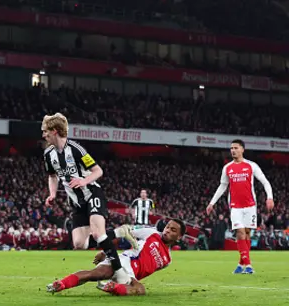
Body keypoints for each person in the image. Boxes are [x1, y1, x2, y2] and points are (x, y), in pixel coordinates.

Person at [42, 113, 137, 282]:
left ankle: (120, 273)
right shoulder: (48, 154)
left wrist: (83, 180)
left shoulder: (77, 150)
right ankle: (119, 232)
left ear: (55, 131)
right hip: (77, 203)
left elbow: (98, 171)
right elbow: (52, 176)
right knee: (79, 244)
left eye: (45, 131)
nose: (43, 135)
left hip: (92, 193)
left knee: (97, 233)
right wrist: (52, 194)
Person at [47, 219, 186, 296]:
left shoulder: (168, 260)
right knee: (95, 274)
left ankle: (113, 287)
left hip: (130, 275)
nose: (167, 230)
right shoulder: (151, 233)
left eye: (173, 230)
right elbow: (123, 233)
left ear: (179, 237)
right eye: (167, 227)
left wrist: (131, 281)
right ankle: (61, 284)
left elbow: (146, 269)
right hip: (125, 261)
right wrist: (106, 250)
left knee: (140, 290)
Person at [206, 139, 274, 274]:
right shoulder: (227, 168)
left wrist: (269, 197)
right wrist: (212, 202)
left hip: (250, 206)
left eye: (236, 148)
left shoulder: (251, 165)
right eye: (231, 148)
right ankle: (248, 265)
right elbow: (222, 186)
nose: (233, 150)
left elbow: (265, 182)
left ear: (242, 149)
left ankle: (240, 263)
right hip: (235, 206)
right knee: (240, 232)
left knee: (247, 233)